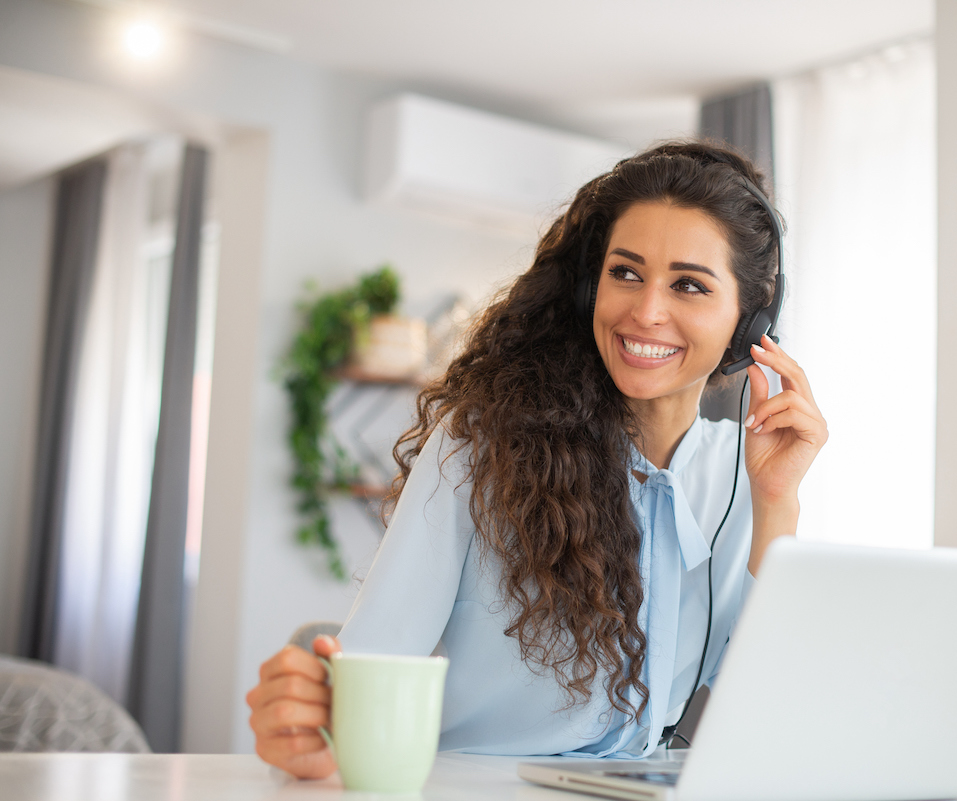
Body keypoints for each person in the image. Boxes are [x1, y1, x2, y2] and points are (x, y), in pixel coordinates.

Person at [246, 141, 828, 778]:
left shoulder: (744, 469)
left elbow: (779, 709)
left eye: (688, 285)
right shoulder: (480, 444)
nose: (647, 311)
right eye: (625, 273)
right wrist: (313, 727)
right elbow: (368, 672)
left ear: (748, 320)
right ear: (590, 288)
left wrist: (777, 502)